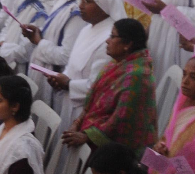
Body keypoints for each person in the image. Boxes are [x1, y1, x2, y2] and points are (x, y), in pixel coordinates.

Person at [65, 18, 157, 150]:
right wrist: (77, 123)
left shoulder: (138, 77)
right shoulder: (115, 64)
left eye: (113, 37)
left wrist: (88, 136)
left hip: (119, 154)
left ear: (128, 44)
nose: (107, 41)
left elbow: (121, 120)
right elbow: (92, 102)